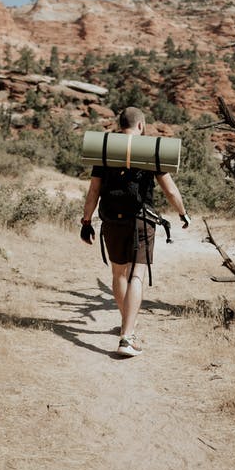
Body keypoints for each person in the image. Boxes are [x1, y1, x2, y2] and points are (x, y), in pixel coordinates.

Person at [80, 107, 190, 357]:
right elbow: (170, 191)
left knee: (119, 273)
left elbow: (93, 192)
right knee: (136, 276)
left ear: (120, 125)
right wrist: (183, 213)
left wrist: (86, 222)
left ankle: (127, 324)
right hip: (141, 219)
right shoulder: (149, 151)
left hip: (111, 219)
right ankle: (126, 337)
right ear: (141, 125)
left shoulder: (105, 149)